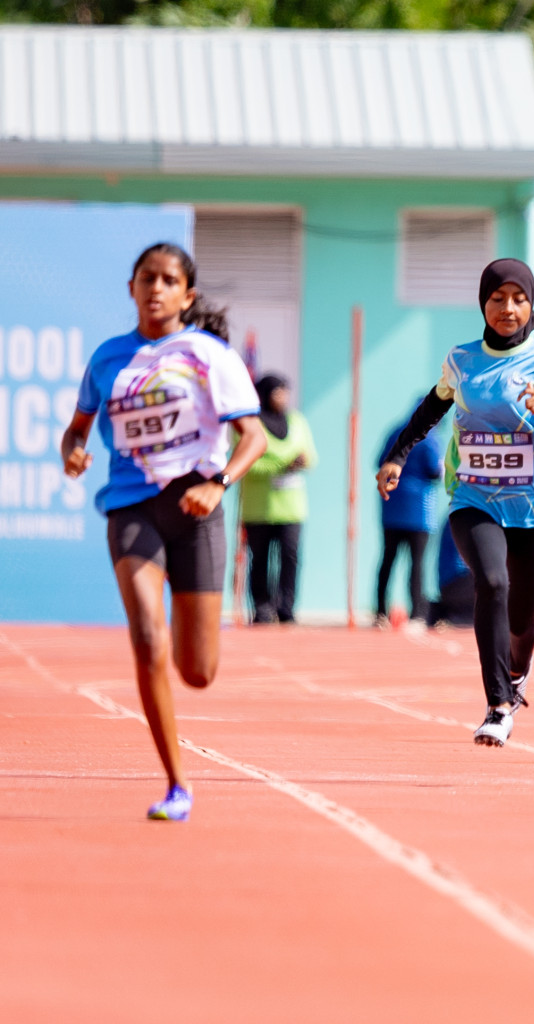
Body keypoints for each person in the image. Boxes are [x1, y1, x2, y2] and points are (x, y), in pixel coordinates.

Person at [59, 242, 266, 821]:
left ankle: (187, 641)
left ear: (187, 294)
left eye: (168, 280)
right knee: (148, 637)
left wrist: (219, 482)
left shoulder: (208, 355)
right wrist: (73, 453)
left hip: (197, 507)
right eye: (146, 278)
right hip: (131, 509)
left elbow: (254, 438)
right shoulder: (108, 359)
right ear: (131, 288)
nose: (156, 288)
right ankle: (177, 785)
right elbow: (76, 431)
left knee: (197, 672)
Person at [376, 258, 534, 746]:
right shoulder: (462, 361)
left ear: (531, 304)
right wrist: (398, 455)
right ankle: (498, 705)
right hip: (473, 496)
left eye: (518, 299)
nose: (507, 308)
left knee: (522, 620)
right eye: (497, 299)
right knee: (491, 581)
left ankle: (519, 667)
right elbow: (432, 407)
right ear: (483, 304)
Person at [240, 374, 317, 624]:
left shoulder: (296, 421)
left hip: (291, 507)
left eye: (285, 391)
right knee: (260, 559)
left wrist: (300, 462)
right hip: (259, 508)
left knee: (290, 557)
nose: (282, 397)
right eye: (277, 392)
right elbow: (247, 463)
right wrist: (283, 465)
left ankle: (287, 607)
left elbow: (311, 456)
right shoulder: (250, 423)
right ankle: (262, 608)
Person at [375, 414, 445, 626]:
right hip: (419, 511)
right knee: (417, 564)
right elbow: (434, 470)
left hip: (392, 506)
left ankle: (380, 611)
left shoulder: (396, 432)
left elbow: (380, 462)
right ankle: (418, 613)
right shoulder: (431, 438)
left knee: (388, 560)